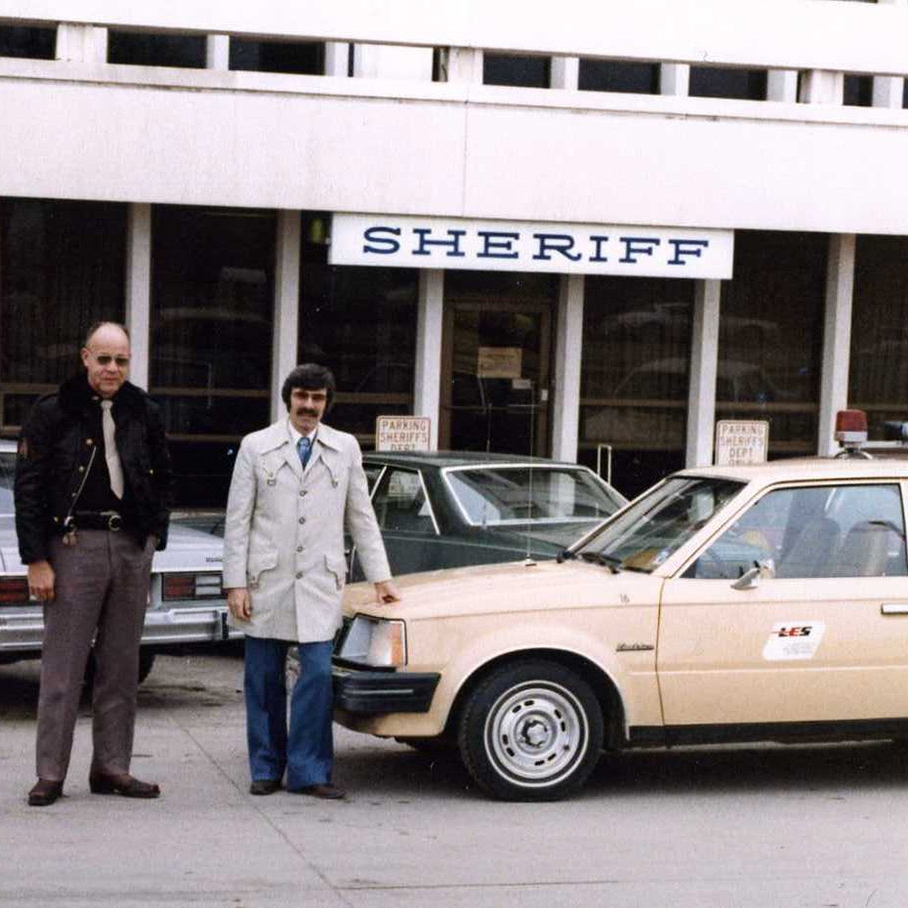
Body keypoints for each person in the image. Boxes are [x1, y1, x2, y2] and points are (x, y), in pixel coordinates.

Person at [223, 363, 400, 799]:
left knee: (317, 676)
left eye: (317, 399)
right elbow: (237, 520)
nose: (309, 406)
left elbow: (361, 514)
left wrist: (382, 577)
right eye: (302, 396)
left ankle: (310, 771)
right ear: (289, 399)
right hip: (267, 580)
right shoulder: (256, 446)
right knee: (263, 679)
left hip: (319, 581)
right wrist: (235, 583)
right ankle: (265, 767)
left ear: (326, 403)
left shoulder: (344, 449)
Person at [14, 321, 173, 807]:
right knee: (63, 667)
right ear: (85, 357)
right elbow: (30, 488)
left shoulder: (144, 411)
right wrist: (37, 559)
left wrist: (152, 536)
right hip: (72, 546)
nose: (112, 369)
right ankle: (50, 773)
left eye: (121, 360)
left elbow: (164, 474)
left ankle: (112, 766)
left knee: (121, 666)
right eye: (104, 359)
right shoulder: (53, 411)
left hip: (128, 547)